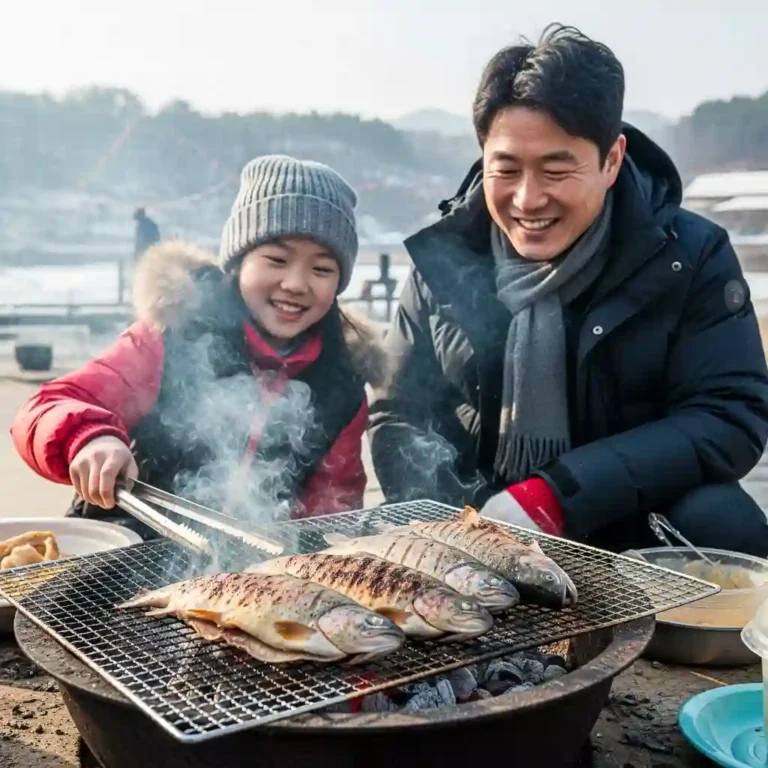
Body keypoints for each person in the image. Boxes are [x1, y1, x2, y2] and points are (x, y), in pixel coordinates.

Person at [368, 25, 768, 556]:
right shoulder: (445, 259)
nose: (528, 199)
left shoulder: (688, 256)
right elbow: (399, 414)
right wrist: (467, 527)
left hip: (629, 521)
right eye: (505, 169)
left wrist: (555, 496)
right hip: (483, 521)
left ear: (611, 160)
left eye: (556, 170)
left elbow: (727, 416)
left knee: (723, 521)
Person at [12, 155, 384, 535]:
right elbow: (49, 405)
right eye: (276, 259)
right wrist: (90, 439)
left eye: (322, 269)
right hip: (125, 543)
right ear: (239, 262)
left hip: (248, 567)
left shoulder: (342, 385)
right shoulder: (175, 332)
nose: (295, 283)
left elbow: (333, 504)